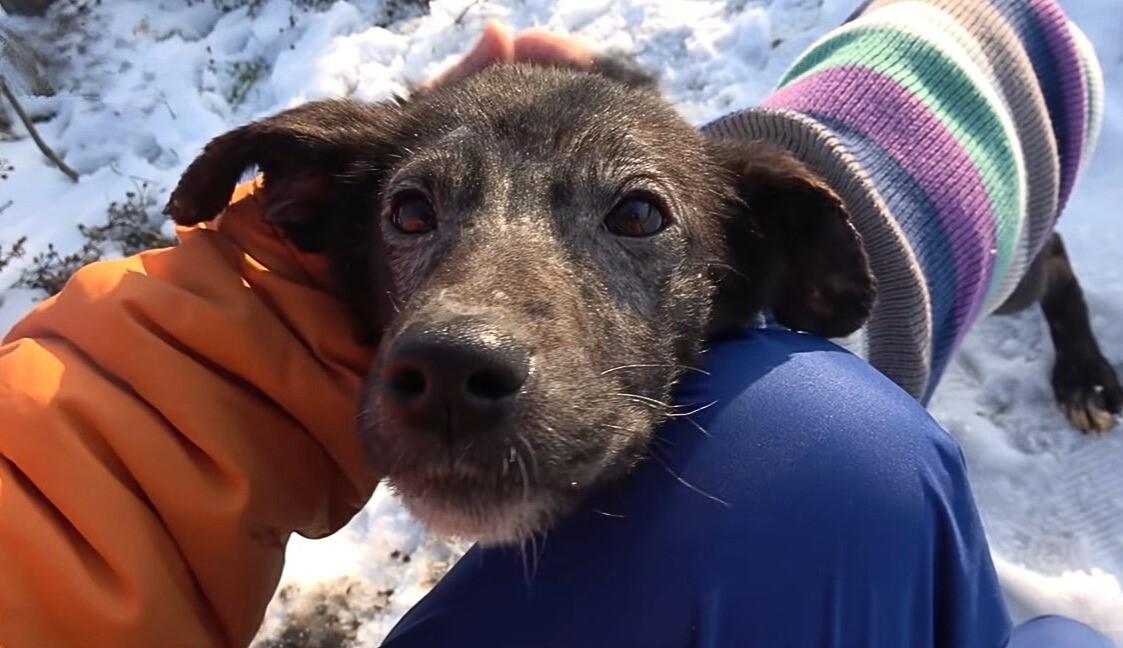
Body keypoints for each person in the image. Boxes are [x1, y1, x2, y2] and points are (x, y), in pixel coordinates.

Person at [0, 7, 1114, 648]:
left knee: (1019, 288)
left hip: (1027, 80)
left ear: (788, 276)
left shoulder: (831, 418)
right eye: (414, 211)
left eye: (634, 217)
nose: (464, 325)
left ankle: (1070, 325)